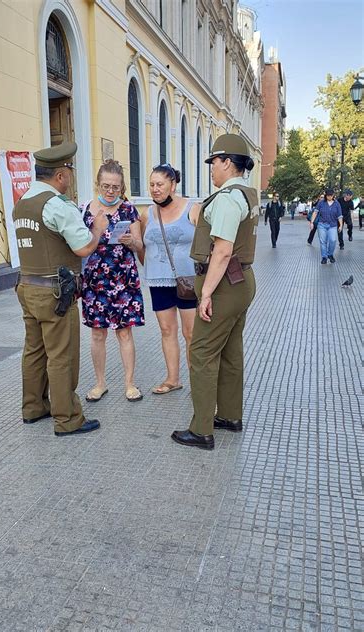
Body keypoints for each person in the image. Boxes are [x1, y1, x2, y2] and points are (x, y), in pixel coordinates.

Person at [12, 141, 108, 436]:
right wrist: (98, 230)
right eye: (69, 171)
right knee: (61, 355)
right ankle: (67, 419)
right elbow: (82, 247)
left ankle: (33, 407)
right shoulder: (56, 205)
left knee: (34, 351)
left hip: (27, 287)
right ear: (60, 175)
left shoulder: (23, 202)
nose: (70, 177)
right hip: (55, 291)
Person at [171, 134, 259, 450]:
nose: (211, 168)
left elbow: (222, 251)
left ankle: (202, 429)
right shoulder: (247, 194)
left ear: (226, 162)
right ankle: (230, 416)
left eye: (214, 162)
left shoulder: (226, 198)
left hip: (222, 286)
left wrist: (205, 294)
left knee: (202, 353)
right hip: (241, 282)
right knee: (231, 351)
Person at [80, 160, 145, 403]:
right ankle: (100, 383)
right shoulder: (86, 209)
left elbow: (140, 245)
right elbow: (79, 245)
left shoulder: (129, 210)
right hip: (95, 281)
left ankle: (130, 383)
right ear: (97, 184)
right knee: (98, 334)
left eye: (115, 187)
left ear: (122, 187)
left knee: (125, 333)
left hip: (124, 279)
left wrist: (131, 242)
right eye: (106, 186)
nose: (110, 191)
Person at [138, 164, 199, 394]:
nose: (155, 189)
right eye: (152, 184)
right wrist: (152, 266)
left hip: (188, 280)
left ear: (173, 185)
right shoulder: (147, 214)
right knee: (167, 330)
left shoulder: (193, 210)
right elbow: (143, 247)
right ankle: (173, 379)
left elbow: (207, 244)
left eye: (160, 184)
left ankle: (197, 381)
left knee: (191, 333)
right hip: (158, 281)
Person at [310, 188, 343, 264]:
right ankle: (324, 257)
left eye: (331, 195)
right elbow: (315, 212)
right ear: (326, 195)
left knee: (333, 240)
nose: (329, 197)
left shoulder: (336, 204)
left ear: (333, 195)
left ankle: (330, 254)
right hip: (322, 225)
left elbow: (340, 216)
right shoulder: (321, 203)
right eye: (328, 195)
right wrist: (312, 222)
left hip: (333, 225)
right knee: (323, 242)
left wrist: (340, 225)